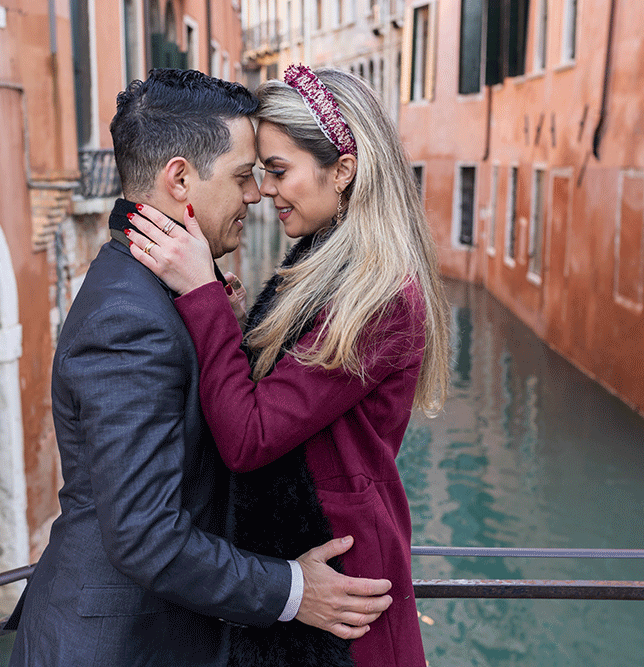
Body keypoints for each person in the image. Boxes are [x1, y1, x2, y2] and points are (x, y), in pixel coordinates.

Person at [5, 68, 395, 667]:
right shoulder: (128, 319)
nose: (257, 195)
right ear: (180, 178)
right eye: (243, 176)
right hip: (114, 647)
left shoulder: (159, 287)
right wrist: (293, 590)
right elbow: (145, 535)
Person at [126, 65, 451, 666]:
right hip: (300, 560)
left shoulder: (376, 296)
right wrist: (231, 320)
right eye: (258, 172)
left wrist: (201, 296)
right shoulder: (326, 263)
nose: (264, 191)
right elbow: (281, 398)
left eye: (278, 171)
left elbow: (250, 437)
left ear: (343, 170)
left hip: (340, 580)